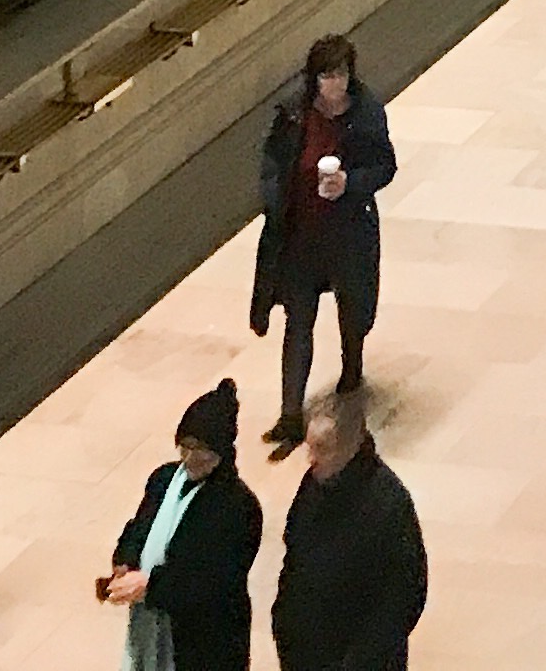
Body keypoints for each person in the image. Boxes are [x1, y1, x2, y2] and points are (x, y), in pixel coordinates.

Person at [251, 36, 395, 451]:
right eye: (327, 76)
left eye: (341, 75)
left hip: (346, 235)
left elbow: (384, 165)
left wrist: (351, 183)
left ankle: (353, 367)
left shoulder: (365, 115)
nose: (334, 84)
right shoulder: (294, 114)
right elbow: (273, 162)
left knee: (352, 308)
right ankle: (290, 414)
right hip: (300, 238)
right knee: (298, 322)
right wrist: (274, 199)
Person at [104, 379, 261, 671]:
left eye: (200, 449)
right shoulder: (164, 480)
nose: (189, 458)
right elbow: (139, 528)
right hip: (154, 628)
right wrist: (125, 560)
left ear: (221, 450)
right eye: (185, 446)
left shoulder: (238, 508)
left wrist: (152, 586)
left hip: (206, 645)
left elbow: (215, 583)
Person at [272, 395, 427, 671]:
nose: (312, 459)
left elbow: (403, 596)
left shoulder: (388, 503)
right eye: (309, 448)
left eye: (322, 449)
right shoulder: (314, 485)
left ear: (351, 446)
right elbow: (294, 558)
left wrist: (357, 663)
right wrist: (284, 624)